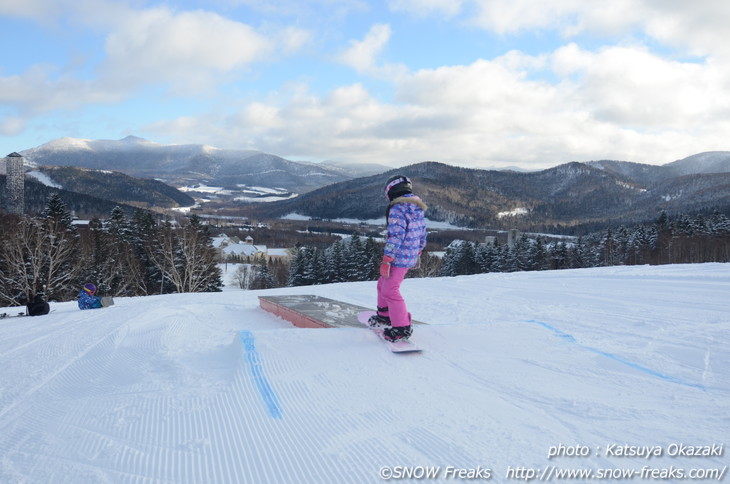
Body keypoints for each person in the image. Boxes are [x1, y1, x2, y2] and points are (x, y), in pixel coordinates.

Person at [369, 175, 427, 341]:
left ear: (391, 192)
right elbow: (423, 232)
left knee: (390, 289)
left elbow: (396, 235)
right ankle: (384, 315)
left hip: (398, 257)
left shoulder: (398, 208)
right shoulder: (416, 207)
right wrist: (419, 249)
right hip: (408, 255)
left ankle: (401, 327)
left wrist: (387, 259)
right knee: (382, 284)